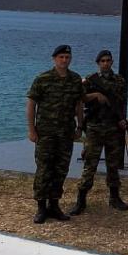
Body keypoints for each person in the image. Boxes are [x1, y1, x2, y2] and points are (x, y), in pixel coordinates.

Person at [26, 44, 84, 224]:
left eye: (67, 57)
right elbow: (31, 105)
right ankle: (41, 207)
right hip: (46, 133)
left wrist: (80, 126)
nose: (64, 60)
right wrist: (31, 130)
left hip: (66, 133)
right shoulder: (43, 79)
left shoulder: (75, 79)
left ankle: (54, 204)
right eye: (61, 57)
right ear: (54, 59)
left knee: (61, 169)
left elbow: (79, 104)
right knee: (44, 169)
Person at [68, 49, 128, 215]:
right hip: (94, 128)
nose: (106, 63)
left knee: (113, 165)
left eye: (108, 60)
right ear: (98, 63)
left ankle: (114, 197)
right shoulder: (90, 79)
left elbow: (121, 102)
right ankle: (81, 200)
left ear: (112, 62)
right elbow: (80, 99)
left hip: (113, 128)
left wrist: (122, 118)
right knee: (90, 165)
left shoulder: (119, 80)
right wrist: (95, 95)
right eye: (102, 61)